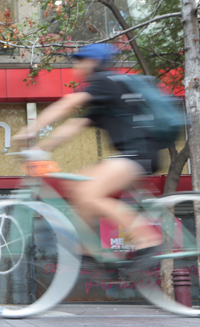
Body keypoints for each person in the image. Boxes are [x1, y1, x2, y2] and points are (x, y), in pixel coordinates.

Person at [14, 44, 162, 258]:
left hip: (140, 154)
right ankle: (88, 250)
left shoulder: (105, 82)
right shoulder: (106, 94)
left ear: (94, 62)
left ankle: (146, 238)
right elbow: (75, 124)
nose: (76, 65)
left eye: (80, 60)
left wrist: (28, 131)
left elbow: (68, 104)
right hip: (132, 154)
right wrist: (40, 148)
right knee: (76, 183)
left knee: (89, 194)